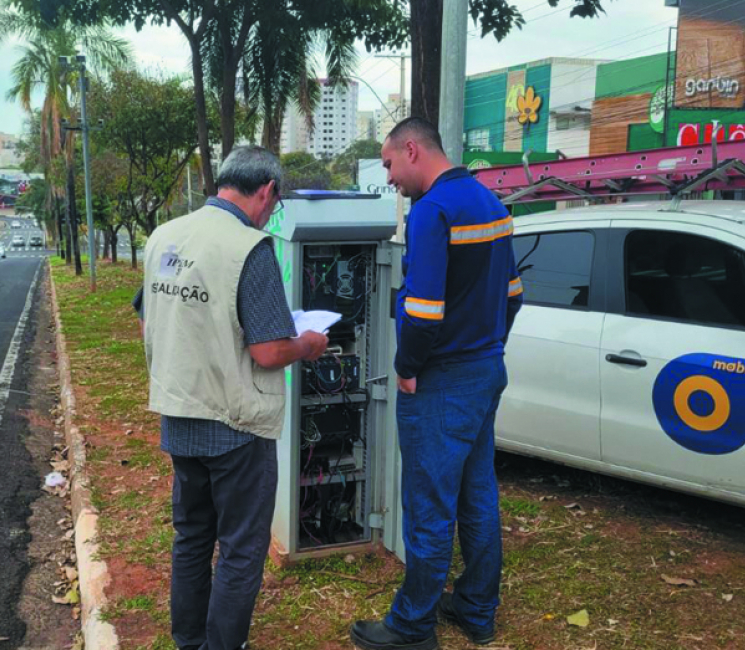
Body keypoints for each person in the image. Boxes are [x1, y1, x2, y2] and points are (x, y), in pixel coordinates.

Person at [133, 145, 329, 650]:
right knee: (241, 548)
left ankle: (189, 642)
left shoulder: (164, 237)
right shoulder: (250, 247)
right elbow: (267, 352)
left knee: (193, 537)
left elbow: (147, 314)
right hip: (237, 427)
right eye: (274, 202)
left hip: (179, 416)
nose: (271, 212)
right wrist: (308, 344)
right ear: (265, 191)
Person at [350, 118, 523, 650]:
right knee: (477, 494)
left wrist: (406, 368)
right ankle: (475, 609)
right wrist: (486, 345)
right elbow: (514, 294)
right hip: (485, 371)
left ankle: (412, 625)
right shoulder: (490, 202)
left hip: (441, 381)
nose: (390, 177)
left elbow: (423, 314)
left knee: (429, 504)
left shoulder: (431, 212)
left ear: (411, 150)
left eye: (388, 164)